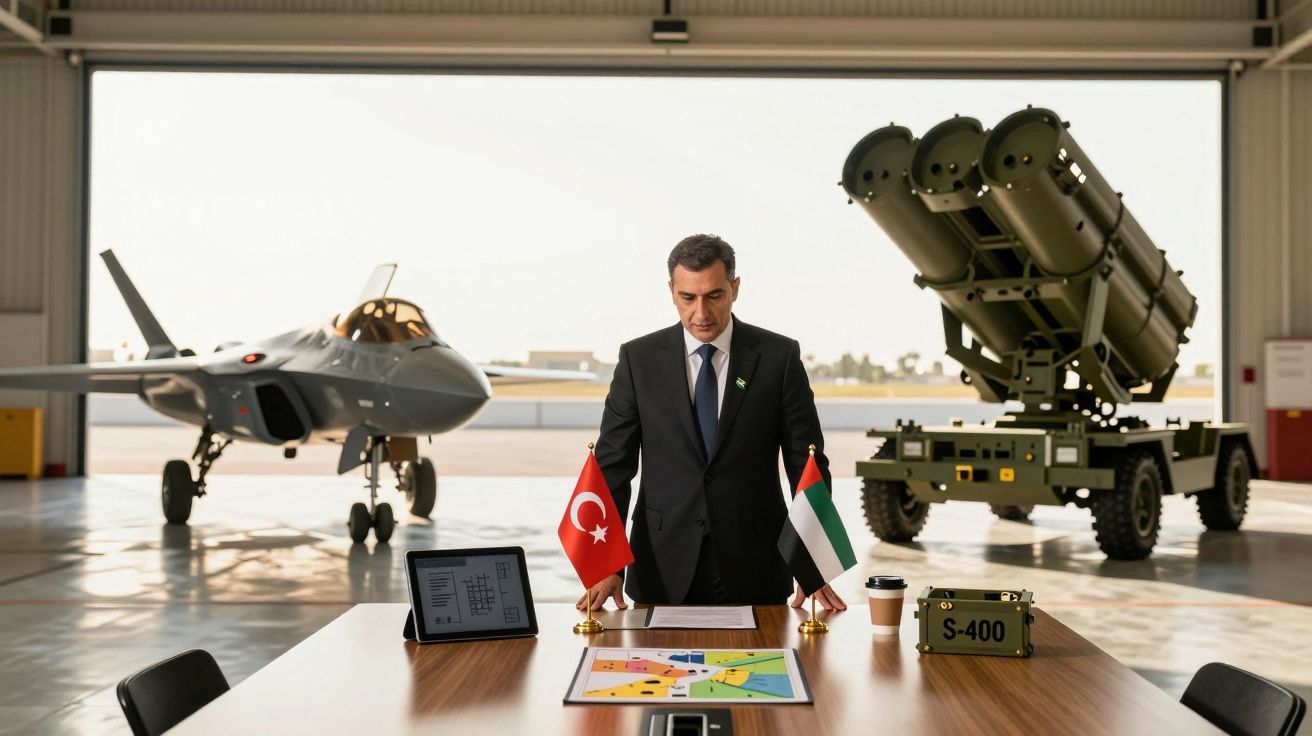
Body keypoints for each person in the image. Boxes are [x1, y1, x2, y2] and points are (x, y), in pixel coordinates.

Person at [577, 234, 846, 612]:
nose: (700, 313)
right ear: (671, 291)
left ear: (735, 289)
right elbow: (612, 467)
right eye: (688, 298)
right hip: (660, 564)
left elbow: (807, 464)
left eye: (714, 296)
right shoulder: (638, 360)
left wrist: (811, 562)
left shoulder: (778, 357)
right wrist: (605, 563)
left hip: (757, 565)